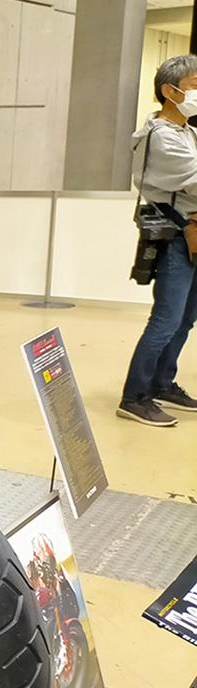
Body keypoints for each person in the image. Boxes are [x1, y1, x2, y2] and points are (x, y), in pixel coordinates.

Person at [119, 54, 197, 426]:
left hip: (192, 234)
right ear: (170, 91)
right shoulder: (161, 136)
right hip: (174, 236)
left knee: (186, 318)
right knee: (166, 320)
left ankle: (162, 383)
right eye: (195, 85)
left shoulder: (187, 132)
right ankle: (134, 397)